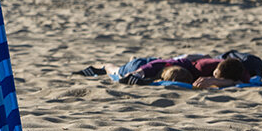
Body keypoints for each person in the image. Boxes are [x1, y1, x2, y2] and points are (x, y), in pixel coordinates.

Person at [82, 54, 253, 89]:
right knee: (118, 72)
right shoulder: (205, 66)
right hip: (148, 65)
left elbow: (245, 81)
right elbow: (165, 62)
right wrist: (140, 73)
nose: (212, 76)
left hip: (164, 67)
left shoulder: (237, 70)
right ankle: (106, 65)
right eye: (214, 73)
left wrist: (220, 82)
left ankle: (133, 59)